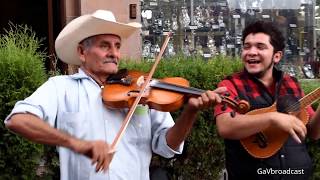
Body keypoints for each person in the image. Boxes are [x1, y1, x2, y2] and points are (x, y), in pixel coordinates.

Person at [5, 10, 226, 180]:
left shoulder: (143, 90)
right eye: (105, 46)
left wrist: (190, 112)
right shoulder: (60, 88)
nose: (114, 53)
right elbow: (18, 120)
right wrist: (77, 143)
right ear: (82, 52)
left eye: (117, 46)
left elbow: (167, 147)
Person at [214, 20, 320, 180]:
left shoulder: (291, 83)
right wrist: (272, 118)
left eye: (260, 47)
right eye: (247, 46)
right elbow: (225, 126)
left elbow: (313, 132)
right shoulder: (229, 85)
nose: (251, 52)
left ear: (276, 56)